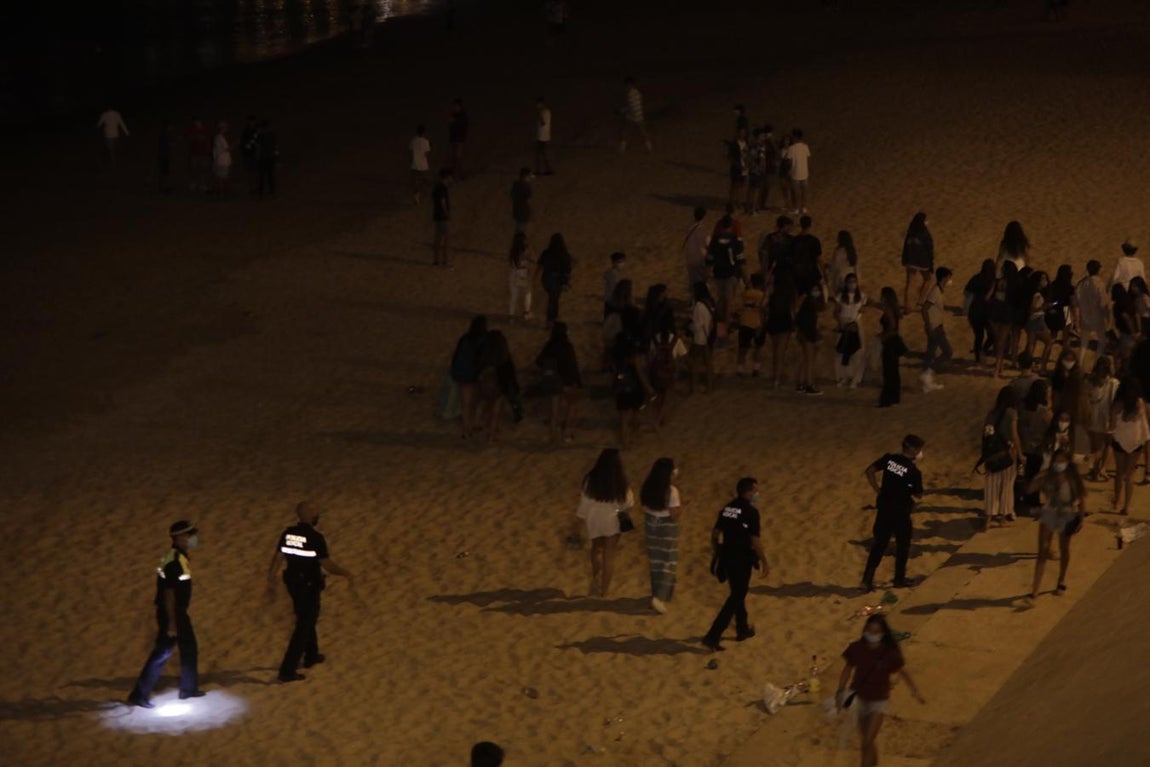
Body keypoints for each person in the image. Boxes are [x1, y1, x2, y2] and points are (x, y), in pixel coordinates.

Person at [267, 502, 353, 683]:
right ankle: (287, 669)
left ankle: (311, 654)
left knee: (305, 617)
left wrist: (271, 577)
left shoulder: (288, 533)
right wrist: (345, 573)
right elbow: (327, 565)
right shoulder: (316, 538)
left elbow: (278, 558)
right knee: (305, 624)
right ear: (312, 516)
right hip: (309, 584)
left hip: (292, 582)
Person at [127, 521, 204, 707]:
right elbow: (169, 593)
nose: (194, 538)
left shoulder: (179, 556)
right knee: (162, 652)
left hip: (178, 612)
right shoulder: (175, 560)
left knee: (189, 648)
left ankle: (189, 688)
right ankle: (139, 695)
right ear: (179, 538)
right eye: (190, 534)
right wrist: (171, 622)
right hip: (172, 613)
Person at [834, 615, 926, 767]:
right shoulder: (856, 648)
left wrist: (914, 690)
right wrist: (840, 691)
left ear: (883, 633)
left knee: (867, 741)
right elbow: (848, 668)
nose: (872, 635)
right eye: (870, 631)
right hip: (860, 698)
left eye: (876, 632)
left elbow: (902, 672)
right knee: (867, 740)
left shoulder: (889, 653)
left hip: (879, 700)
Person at [702, 477, 767, 651]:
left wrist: (717, 551)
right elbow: (755, 540)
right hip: (742, 558)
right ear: (748, 492)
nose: (757, 494)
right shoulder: (751, 512)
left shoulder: (727, 508)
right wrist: (764, 561)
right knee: (737, 596)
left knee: (737, 591)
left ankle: (742, 628)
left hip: (727, 556)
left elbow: (715, 534)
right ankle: (713, 635)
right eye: (755, 491)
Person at [861, 435, 925, 590]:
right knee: (903, 545)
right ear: (914, 450)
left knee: (879, 544)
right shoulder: (913, 471)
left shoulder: (889, 459)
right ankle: (899, 579)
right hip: (901, 511)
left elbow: (869, 471)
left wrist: (878, 490)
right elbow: (919, 494)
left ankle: (866, 580)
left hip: (884, 507)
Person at [1027, 449, 1086, 599]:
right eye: (1056, 461)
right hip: (1050, 513)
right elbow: (1030, 489)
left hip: (1066, 514)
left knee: (1064, 548)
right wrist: (1037, 479)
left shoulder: (1072, 478)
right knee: (1042, 551)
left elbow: (1081, 497)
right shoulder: (1047, 476)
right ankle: (1035, 589)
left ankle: (1061, 580)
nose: (1058, 464)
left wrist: (1081, 517)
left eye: (1061, 461)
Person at [574, 449, 633, 597]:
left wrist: (580, 521)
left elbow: (584, 504)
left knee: (596, 549)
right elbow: (628, 502)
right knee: (610, 554)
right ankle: (604, 591)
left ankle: (596, 577)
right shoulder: (620, 481)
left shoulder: (590, 479)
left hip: (595, 520)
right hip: (612, 521)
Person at [641, 457, 683, 615]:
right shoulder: (671, 491)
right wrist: (681, 509)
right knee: (668, 562)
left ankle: (656, 593)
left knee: (655, 561)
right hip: (666, 527)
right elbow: (674, 514)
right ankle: (660, 597)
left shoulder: (647, 487)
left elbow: (645, 506)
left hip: (651, 525)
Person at [982, 386, 1022, 527]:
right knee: (1006, 486)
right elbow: (1014, 435)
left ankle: (988, 519)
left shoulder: (991, 413)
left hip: (992, 455)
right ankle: (1003, 518)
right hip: (1008, 453)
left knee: (991, 486)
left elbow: (986, 434)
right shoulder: (1012, 413)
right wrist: (1021, 455)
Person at [1110, 377, 1150, 515]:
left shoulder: (1117, 404)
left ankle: (1117, 501)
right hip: (1136, 441)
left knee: (1119, 472)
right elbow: (1145, 424)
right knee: (1130, 474)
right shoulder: (1140, 403)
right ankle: (1126, 506)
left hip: (1120, 440)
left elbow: (1112, 425)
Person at [536, 321, 581, 442]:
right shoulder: (567, 346)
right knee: (571, 405)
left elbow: (539, 361)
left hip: (553, 381)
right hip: (566, 381)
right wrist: (576, 381)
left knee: (554, 409)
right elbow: (572, 365)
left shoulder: (550, 345)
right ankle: (566, 433)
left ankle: (552, 434)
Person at [475, 330, 521, 445]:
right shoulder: (504, 357)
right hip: (497, 385)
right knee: (495, 410)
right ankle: (491, 435)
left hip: (484, 383)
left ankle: (474, 426)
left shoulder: (483, 354)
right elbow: (509, 375)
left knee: (481, 402)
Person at [613, 332, 654, 448]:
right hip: (634, 388)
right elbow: (640, 373)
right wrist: (648, 387)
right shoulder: (634, 357)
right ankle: (632, 439)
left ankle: (625, 441)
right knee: (635, 414)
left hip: (621, 388)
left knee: (623, 417)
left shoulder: (618, 356)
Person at [451, 316, 488, 439]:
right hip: (478, 374)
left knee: (465, 404)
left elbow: (457, 356)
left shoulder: (464, 339)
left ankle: (466, 430)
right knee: (480, 399)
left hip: (464, 374)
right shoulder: (485, 340)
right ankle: (477, 421)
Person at [706, 214, 746, 322]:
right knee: (728, 301)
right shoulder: (736, 241)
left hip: (718, 272)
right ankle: (724, 327)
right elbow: (740, 262)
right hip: (731, 273)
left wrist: (707, 276)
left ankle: (719, 323)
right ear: (731, 226)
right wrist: (746, 280)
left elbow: (709, 259)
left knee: (721, 298)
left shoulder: (715, 240)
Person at [1086, 356, 1119, 481]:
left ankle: (1100, 468)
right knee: (1099, 446)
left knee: (1104, 444)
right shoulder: (1092, 382)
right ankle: (1098, 468)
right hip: (1097, 416)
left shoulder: (1113, 383)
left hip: (1106, 417)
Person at [920, 267, 952, 393]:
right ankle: (927, 373)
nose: (950, 280)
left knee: (930, 352)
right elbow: (924, 308)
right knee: (947, 352)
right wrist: (928, 326)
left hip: (937, 326)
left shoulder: (939, 290)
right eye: (949, 277)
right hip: (935, 328)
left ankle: (927, 381)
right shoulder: (935, 291)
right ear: (944, 278)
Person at [763, 270, 797, 389]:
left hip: (773, 320)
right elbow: (793, 309)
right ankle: (777, 379)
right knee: (780, 352)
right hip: (784, 320)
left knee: (775, 350)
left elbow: (764, 305)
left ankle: (775, 378)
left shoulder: (772, 289)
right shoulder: (790, 291)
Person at [834, 273, 868, 388]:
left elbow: (863, 309)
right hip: (844, 324)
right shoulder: (840, 296)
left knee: (857, 352)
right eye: (850, 281)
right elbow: (836, 312)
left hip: (856, 324)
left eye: (854, 281)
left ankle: (855, 378)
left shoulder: (862, 296)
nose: (852, 284)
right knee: (842, 351)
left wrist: (854, 322)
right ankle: (843, 376)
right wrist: (841, 325)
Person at [647, 313, 681, 426]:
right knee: (666, 397)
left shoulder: (655, 338)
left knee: (658, 395)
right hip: (668, 372)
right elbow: (679, 356)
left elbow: (651, 357)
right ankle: (660, 419)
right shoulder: (674, 339)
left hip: (656, 372)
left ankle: (660, 417)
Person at [1075, 259, 1109, 367]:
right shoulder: (1099, 283)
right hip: (1097, 317)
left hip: (1084, 317)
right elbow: (1103, 303)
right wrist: (1107, 316)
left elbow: (1076, 303)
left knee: (1084, 343)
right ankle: (1096, 366)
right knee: (1101, 342)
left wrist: (1077, 320)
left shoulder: (1081, 283)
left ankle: (1079, 366)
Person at [963, 259, 997, 365]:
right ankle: (984, 350)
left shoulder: (976, 278)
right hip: (987, 311)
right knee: (992, 335)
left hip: (975, 310)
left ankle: (978, 358)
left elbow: (966, 292)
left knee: (978, 336)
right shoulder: (993, 281)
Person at [795, 280, 825, 395]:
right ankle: (809, 385)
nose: (816, 292)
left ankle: (800, 383)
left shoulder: (807, 303)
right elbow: (807, 321)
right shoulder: (809, 304)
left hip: (805, 333)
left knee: (805, 359)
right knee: (810, 360)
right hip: (808, 333)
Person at [536, 232, 572, 328]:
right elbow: (567, 269)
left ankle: (552, 319)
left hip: (546, 279)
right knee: (554, 299)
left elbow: (540, 265)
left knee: (553, 298)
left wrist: (536, 276)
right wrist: (566, 281)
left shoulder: (546, 252)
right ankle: (551, 320)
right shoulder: (564, 253)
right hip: (557, 280)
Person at [877, 287, 905, 407]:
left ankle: (886, 399)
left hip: (890, 343)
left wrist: (883, 336)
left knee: (888, 372)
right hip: (894, 343)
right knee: (894, 371)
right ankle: (894, 397)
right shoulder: (894, 309)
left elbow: (892, 328)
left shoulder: (888, 309)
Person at [688, 282, 717, 394]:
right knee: (708, 362)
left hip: (700, 338)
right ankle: (709, 388)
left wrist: (689, 326)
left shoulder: (699, 306)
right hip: (709, 336)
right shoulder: (711, 302)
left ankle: (692, 388)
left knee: (692, 362)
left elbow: (697, 326)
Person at [900, 212, 933, 311]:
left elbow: (905, 246)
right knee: (928, 279)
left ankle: (907, 306)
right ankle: (920, 302)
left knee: (910, 283)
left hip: (910, 261)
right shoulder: (925, 233)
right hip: (922, 261)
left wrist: (904, 259)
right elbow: (929, 249)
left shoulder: (910, 231)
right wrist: (931, 264)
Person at [736, 272, 766, 377]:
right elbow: (763, 310)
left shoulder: (745, 294)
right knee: (758, 347)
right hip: (757, 323)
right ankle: (756, 369)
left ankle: (740, 369)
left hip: (744, 323)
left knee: (743, 348)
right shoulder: (762, 296)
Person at [618, 76, 652, 153]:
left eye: (627, 85)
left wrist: (623, 111)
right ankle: (649, 147)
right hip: (639, 115)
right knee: (643, 132)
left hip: (633, 116)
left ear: (630, 85)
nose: (626, 87)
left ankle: (622, 147)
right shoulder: (638, 93)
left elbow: (630, 106)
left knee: (626, 130)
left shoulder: (630, 95)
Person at [683, 207, 710, 295]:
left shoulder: (690, 228)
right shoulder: (703, 230)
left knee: (692, 281)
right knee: (701, 282)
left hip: (690, 257)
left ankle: (692, 300)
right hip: (700, 258)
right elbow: (708, 244)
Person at [785, 128, 811, 214]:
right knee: (804, 191)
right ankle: (803, 207)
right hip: (804, 172)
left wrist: (788, 170)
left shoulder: (791, 148)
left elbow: (789, 161)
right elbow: (808, 158)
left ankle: (796, 208)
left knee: (796, 192)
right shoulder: (805, 146)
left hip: (795, 172)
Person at [507, 232, 533, 320]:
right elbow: (528, 263)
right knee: (527, 294)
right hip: (523, 275)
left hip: (513, 275)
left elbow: (512, 264)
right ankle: (526, 313)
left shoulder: (512, 251)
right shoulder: (526, 251)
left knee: (513, 297)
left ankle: (511, 316)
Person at [431, 168, 452, 268]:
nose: (451, 179)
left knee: (438, 239)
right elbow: (443, 202)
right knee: (446, 240)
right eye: (450, 177)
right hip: (443, 217)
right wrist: (447, 213)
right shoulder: (443, 188)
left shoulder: (436, 187)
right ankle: (445, 262)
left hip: (437, 215)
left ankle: (436, 261)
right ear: (446, 177)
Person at [827, 230, 859, 295]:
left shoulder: (838, 251)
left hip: (840, 278)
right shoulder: (852, 251)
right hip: (851, 278)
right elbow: (857, 268)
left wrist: (828, 269)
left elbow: (835, 266)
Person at [724, 128, 749, 210]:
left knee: (741, 185)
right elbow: (730, 156)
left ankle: (738, 201)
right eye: (741, 132)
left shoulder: (746, 143)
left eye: (744, 133)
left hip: (744, 166)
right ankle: (732, 202)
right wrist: (736, 164)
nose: (743, 134)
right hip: (736, 167)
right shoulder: (734, 144)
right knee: (734, 185)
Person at [187, 118, 212, 193]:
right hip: (194, 154)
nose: (197, 123)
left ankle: (202, 184)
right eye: (196, 122)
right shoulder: (192, 130)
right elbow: (189, 140)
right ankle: (193, 184)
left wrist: (208, 152)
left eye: (198, 122)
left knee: (203, 170)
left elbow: (208, 141)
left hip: (203, 154)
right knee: (193, 169)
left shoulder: (205, 131)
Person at [256, 119, 279, 199]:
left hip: (263, 158)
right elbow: (275, 147)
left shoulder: (261, 135)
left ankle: (261, 194)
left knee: (262, 176)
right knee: (270, 175)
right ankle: (272, 192)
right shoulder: (272, 134)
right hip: (270, 157)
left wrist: (258, 157)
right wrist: (276, 156)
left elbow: (258, 147)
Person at [409, 124, 431, 204]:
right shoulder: (425, 141)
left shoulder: (413, 141)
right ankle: (425, 195)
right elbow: (426, 154)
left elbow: (410, 152)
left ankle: (416, 196)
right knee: (425, 180)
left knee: (415, 181)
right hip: (423, 165)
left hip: (415, 164)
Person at [448, 98, 468, 178]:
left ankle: (461, 175)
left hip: (459, 139)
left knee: (458, 157)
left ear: (459, 106)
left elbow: (463, 126)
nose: (454, 107)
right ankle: (457, 174)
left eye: (456, 106)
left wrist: (454, 121)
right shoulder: (454, 115)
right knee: (454, 158)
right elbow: (451, 127)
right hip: (454, 139)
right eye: (454, 106)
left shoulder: (462, 115)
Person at [603, 251, 627, 318]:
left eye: (623, 262)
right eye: (619, 262)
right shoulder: (612, 274)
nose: (622, 264)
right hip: (612, 302)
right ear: (613, 262)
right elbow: (613, 289)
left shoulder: (615, 274)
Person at [240, 115, 260, 193]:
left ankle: (256, 187)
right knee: (250, 171)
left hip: (254, 153)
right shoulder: (246, 131)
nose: (252, 123)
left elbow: (258, 141)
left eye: (253, 122)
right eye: (251, 122)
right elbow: (243, 143)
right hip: (248, 154)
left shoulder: (256, 130)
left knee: (256, 171)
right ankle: (252, 188)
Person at [511, 167, 533, 235]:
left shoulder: (516, 184)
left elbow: (512, 195)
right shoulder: (527, 186)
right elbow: (528, 199)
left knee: (518, 227)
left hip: (516, 209)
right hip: (523, 211)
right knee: (521, 229)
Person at [212, 121, 232, 196]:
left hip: (219, 160)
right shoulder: (220, 138)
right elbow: (227, 148)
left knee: (220, 177)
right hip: (222, 160)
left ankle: (220, 193)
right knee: (222, 178)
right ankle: (222, 193)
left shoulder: (217, 137)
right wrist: (236, 144)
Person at [535, 97, 554, 175]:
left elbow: (543, 123)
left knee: (540, 154)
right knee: (544, 154)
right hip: (545, 136)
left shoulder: (544, 112)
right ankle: (548, 170)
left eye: (538, 104)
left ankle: (540, 171)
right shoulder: (547, 111)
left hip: (542, 137)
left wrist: (539, 114)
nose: (536, 106)